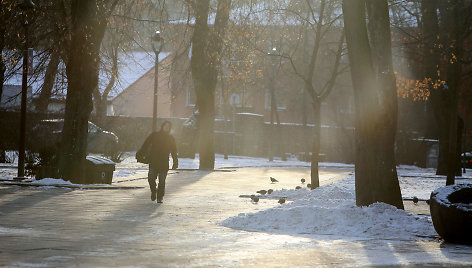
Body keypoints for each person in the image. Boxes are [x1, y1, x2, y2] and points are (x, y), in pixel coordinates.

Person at [138, 121, 178, 203]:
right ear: (162, 126)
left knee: (162, 181)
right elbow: (146, 145)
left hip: (164, 162)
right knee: (150, 179)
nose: (166, 128)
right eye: (165, 126)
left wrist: (175, 162)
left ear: (169, 128)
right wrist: (140, 154)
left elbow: (174, 151)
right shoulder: (154, 135)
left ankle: (160, 197)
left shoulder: (171, 138)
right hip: (153, 161)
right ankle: (153, 191)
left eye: (168, 126)